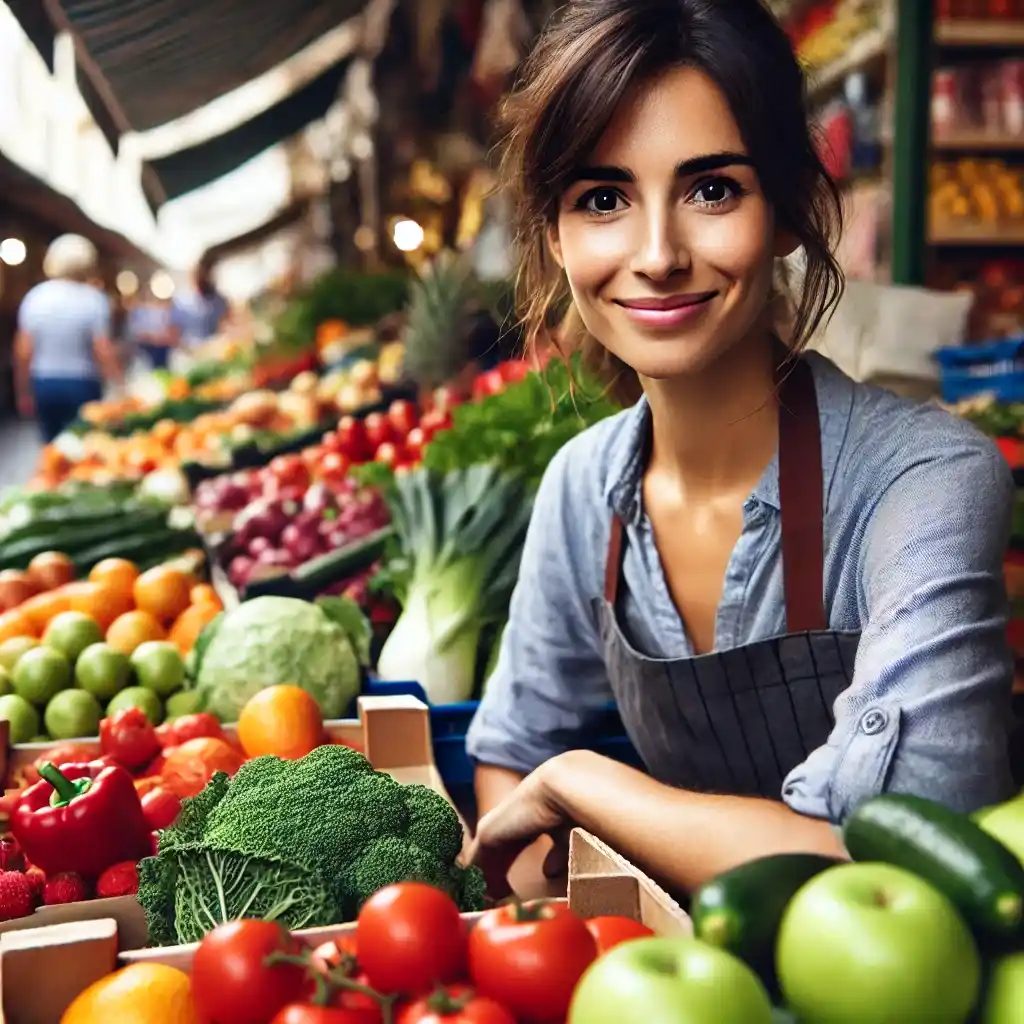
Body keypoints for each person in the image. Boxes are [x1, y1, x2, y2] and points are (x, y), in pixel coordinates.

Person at [466, 0, 1017, 898]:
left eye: (711, 188)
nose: (657, 254)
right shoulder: (583, 492)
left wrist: (582, 785)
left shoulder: (921, 481)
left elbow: (919, 857)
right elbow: (508, 759)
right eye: (603, 199)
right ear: (556, 238)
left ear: (791, 210)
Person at [14, 235, 124, 442]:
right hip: (83, 383)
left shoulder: (35, 297)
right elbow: (102, 349)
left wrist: (22, 391)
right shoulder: (93, 299)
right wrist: (120, 386)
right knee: (86, 444)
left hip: (44, 382)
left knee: (52, 446)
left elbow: (23, 350)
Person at [170, 261, 229, 348]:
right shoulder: (180, 300)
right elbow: (175, 327)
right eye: (196, 275)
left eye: (202, 275)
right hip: (188, 347)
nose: (199, 278)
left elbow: (224, 322)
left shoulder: (219, 299)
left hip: (215, 345)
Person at [127, 285, 178, 371]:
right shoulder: (139, 311)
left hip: (164, 350)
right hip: (146, 351)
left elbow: (172, 333)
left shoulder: (167, 310)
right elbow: (136, 332)